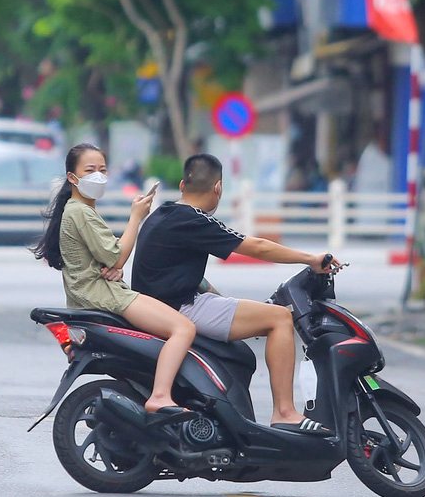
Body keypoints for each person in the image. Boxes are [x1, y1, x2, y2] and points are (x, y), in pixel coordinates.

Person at [128, 152, 335, 429]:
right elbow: (258, 247)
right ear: (218, 188)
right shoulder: (195, 220)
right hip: (179, 309)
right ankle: (284, 412)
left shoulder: (163, 215)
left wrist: (222, 298)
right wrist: (311, 259)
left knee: (251, 316)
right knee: (279, 318)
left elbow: (185, 275)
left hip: (160, 305)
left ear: (181, 186)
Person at [30, 142, 199, 414]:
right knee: (183, 329)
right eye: (89, 170)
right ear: (72, 178)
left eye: (102, 169)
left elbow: (108, 259)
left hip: (99, 291)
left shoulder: (79, 210)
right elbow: (117, 256)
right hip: (103, 296)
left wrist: (115, 266)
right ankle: (160, 396)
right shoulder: (81, 211)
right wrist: (136, 217)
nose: (98, 175)